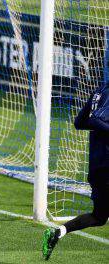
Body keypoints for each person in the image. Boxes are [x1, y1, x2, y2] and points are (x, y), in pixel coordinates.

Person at [42, 82, 109, 260]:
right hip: (106, 165)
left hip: (97, 166)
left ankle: (58, 232)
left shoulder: (99, 90)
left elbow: (80, 122)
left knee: (99, 217)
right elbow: (95, 118)